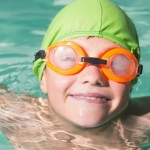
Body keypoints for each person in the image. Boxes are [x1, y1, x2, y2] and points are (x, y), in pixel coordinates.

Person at [0, 0, 150, 149]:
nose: (93, 77)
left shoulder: (144, 121)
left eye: (117, 64)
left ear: (132, 79)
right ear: (43, 77)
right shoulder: (16, 116)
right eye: (68, 59)